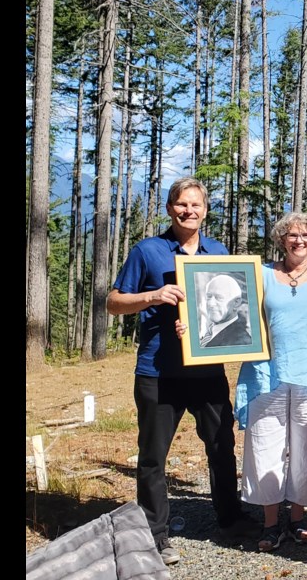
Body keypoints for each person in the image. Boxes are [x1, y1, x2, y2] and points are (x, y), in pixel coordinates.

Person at [107, 177, 258, 566]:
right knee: (153, 458)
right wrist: (153, 296)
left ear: (205, 210)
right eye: (181, 204)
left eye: (196, 205)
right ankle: (155, 536)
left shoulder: (219, 252)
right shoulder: (148, 251)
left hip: (207, 370)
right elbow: (113, 302)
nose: (188, 211)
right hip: (159, 371)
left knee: (222, 446)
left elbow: (233, 312)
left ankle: (230, 520)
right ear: (170, 208)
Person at [232, 212, 307, 551]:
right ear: (282, 239)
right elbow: (232, 313)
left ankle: (297, 519)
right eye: (292, 235)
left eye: (306, 236)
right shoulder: (261, 275)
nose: (299, 241)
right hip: (266, 375)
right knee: (264, 449)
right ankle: (269, 524)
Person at [200, 274, 251, 347]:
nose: (211, 303)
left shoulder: (241, 342)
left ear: (236, 303)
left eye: (219, 297)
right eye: (209, 296)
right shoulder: (210, 330)